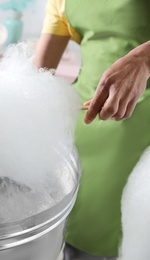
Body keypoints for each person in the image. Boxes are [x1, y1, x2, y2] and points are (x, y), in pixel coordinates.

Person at [33, 0, 150, 259]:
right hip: (81, 128)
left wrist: (144, 59)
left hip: (140, 138)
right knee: (72, 239)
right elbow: (38, 73)